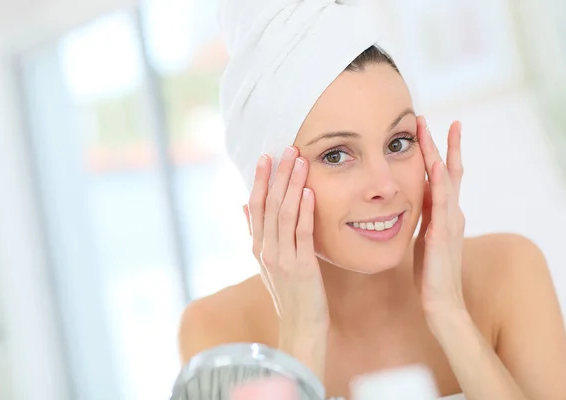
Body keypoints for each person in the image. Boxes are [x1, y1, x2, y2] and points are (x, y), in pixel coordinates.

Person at [178, 1, 566, 399]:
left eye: (399, 143)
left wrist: (450, 313)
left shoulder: (509, 271)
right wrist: (303, 332)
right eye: (336, 155)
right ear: (268, 186)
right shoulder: (220, 332)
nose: (386, 185)